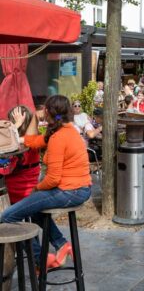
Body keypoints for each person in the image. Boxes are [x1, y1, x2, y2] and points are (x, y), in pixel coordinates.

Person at [1, 95, 91, 269]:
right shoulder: (65, 129)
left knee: (7, 216)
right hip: (78, 189)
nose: (41, 112)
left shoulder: (58, 137)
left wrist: (36, 189)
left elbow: (53, 179)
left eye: (44, 110)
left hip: (70, 191)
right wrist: (19, 139)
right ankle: (63, 245)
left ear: (48, 112)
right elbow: (39, 140)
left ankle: (40, 259)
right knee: (34, 211)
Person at [0, 106, 41, 204]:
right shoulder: (36, 137)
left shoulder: (27, 140)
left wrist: (16, 124)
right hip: (30, 190)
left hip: (18, 190)